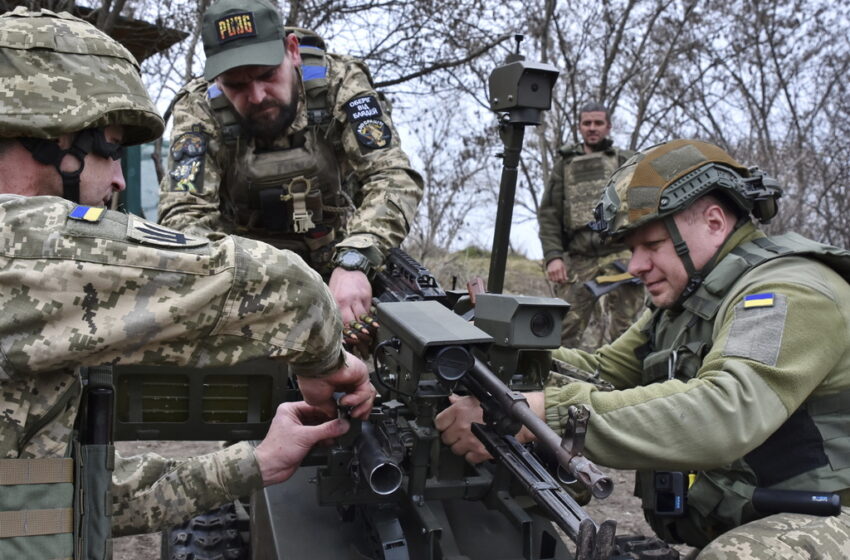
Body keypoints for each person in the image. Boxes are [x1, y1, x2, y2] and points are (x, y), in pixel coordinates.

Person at [0, 7, 375, 554]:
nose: (122, 175)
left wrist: (256, 461)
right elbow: (282, 289)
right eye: (108, 145)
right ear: (46, 136)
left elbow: (57, 501)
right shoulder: (19, 249)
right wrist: (327, 362)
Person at [438, 139, 850, 558]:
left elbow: (727, 410)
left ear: (713, 222)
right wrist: (501, 354)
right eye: (632, 249)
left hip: (833, 518)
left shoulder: (789, 290)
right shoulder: (688, 301)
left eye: (651, 246)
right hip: (761, 518)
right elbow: (601, 372)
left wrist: (550, 412)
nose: (634, 267)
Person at [157, 0, 423, 330]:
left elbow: (392, 175)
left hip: (340, 264)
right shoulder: (199, 107)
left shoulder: (337, 82)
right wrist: (255, 284)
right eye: (236, 85)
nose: (256, 96)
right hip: (244, 278)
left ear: (292, 50)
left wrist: (357, 259)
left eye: (268, 75)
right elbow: (183, 213)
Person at [537, 102, 644, 349]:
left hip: (620, 252)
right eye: (587, 123)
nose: (592, 128)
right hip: (580, 256)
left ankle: (626, 384)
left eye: (598, 123)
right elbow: (549, 214)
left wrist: (644, 250)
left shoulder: (625, 160)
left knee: (628, 332)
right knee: (563, 329)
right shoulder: (564, 166)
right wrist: (554, 257)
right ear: (579, 126)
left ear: (608, 126)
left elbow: (644, 205)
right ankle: (559, 382)